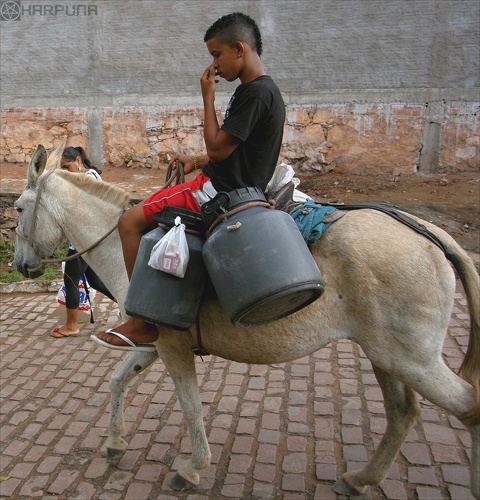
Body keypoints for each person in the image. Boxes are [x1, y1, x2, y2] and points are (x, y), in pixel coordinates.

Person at [93, 12, 285, 350]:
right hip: (235, 185)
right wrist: (194, 161)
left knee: (129, 221)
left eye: (216, 54)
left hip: (215, 192)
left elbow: (219, 147)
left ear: (239, 48)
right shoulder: (263, 91)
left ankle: (142, 321)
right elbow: (237, 150)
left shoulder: (253, 93)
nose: (214, 64)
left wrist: (207, 97)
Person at [51, 146, 114, 338]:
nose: (65, 171)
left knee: (70, 279)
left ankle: (71, 325)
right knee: (96, 281)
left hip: (83, 242)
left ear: (78, 161)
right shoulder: (90, 176)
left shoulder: (87, 179)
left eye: (66, 166)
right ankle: (133, 310)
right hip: (88, 240)